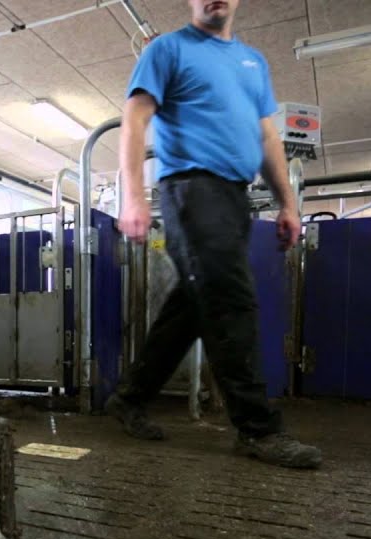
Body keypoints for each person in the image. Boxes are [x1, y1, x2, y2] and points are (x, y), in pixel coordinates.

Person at [106, 0, 322, 469]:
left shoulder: (253, 62)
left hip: (233, 195)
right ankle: (257, 428)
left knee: (192, 306)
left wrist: (288, 202)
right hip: (191, 188)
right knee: (230, 301)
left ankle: (129, 396)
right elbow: (135, 120)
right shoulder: (167, 50)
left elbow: (267, 137)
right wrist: (134, 196)